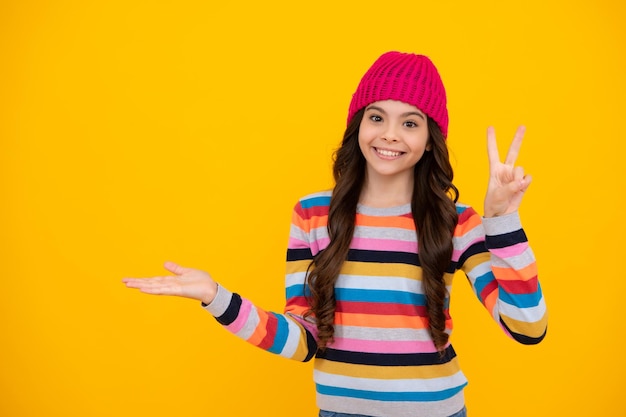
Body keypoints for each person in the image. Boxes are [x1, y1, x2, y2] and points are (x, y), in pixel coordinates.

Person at [123, 51, 548, 417]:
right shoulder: (312, 215)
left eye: (410, 123)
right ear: (357, 125)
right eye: (376, 116)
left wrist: (501, 220)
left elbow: (527, 327)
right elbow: (303, 340)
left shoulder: (458, 221)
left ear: (431, 139)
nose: (389, 135)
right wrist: (216, 297)